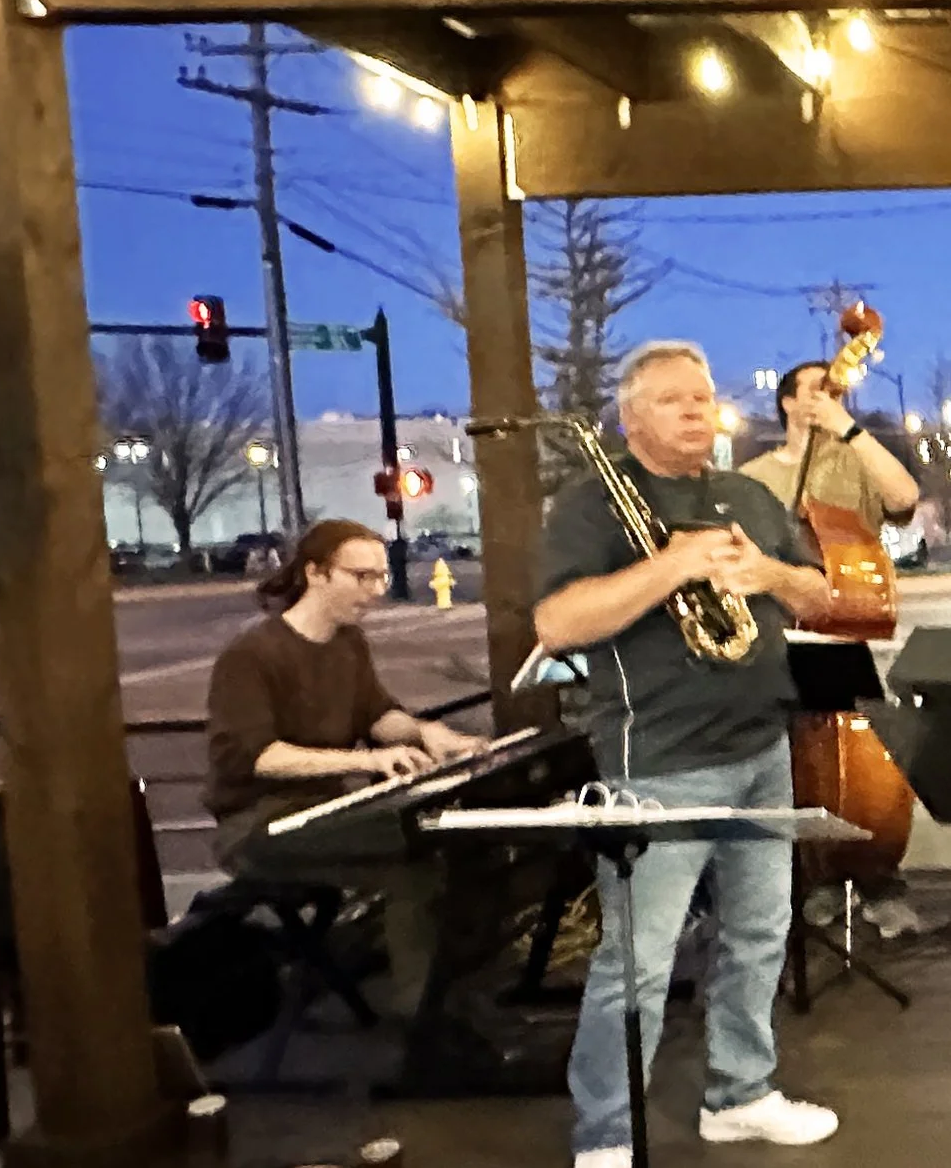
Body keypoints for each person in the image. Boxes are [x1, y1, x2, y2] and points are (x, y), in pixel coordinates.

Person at [536, 341, 843, 1168]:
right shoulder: (592, 504)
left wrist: (769, 572)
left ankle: (739, 1094)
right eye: (674, 399)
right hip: (658, 761)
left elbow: (821, 592)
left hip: (761, 744)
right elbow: (558, 623)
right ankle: (606, 1132)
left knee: (759, 933)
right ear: (631, 415)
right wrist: (671, 564)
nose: (696, 411)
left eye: (704, 397)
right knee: (637, 961)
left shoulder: (746, 495)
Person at [204, 518, 485, 1026]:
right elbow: (258, 756)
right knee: (412, 866)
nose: (376, 590)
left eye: (381, 576)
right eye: (362, 577)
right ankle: (428, 1019)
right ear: (315, 573)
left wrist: (427, 734)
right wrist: (366, 760)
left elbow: (376, 716)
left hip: (322, 811)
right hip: (256, 826)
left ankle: (454, 1001)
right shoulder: (252, 653)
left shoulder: (348, 642)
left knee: (443, 846)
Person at [740, 357, 927, 939]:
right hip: (780, 637)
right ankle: (813, 876)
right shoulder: (754, 477)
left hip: (851, 634)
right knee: (795, 761)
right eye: (816, 390)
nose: (829, 396)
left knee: (872, 766)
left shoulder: (856, 457)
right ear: (787, 403)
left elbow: (905, 495)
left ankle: (879, 878)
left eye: (836, 390)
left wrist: (848, 427)